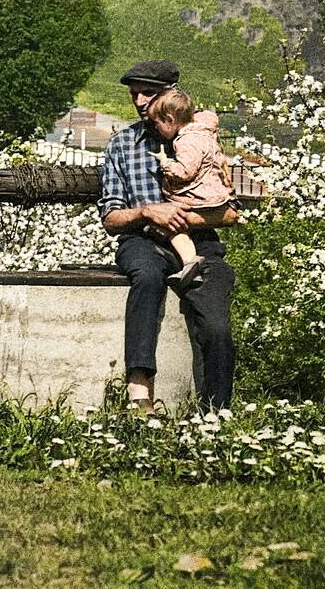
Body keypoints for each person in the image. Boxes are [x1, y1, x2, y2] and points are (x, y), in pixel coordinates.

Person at [98, 60, 235, 413]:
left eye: (148, 93)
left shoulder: (200, 141)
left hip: (198, 239)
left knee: (214, 309)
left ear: (171, 97)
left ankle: (217, 408)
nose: (140, 101)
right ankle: (138, 392)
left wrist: (186, 217)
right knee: (145, 277)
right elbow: (111, 218)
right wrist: (146, 212)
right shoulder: (123, 145)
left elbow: (230, 211)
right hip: (142, 239)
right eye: (134, 94)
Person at [145, 87, 235, 290]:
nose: (156, 128)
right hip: (214, 193)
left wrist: (166, 164)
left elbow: (185, 171)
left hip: (200, 197)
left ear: (169, 119)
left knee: (171, 225)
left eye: (157, 123)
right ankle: (190, 264)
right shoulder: (203, 132)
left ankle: (190, 261)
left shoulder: (187, 141)